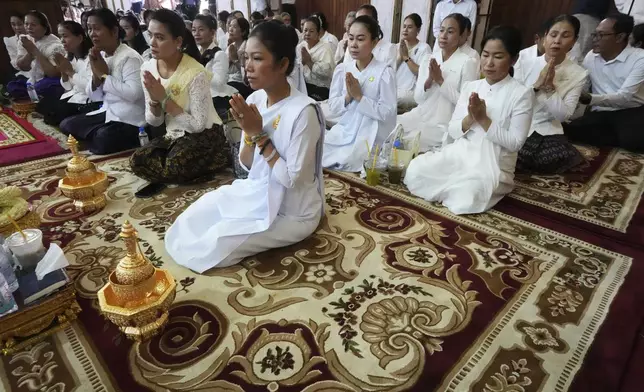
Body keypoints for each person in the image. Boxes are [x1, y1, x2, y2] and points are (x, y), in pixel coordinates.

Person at [165, 20, 325, 272]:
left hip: (292, 212)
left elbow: (294, 180)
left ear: (283, 64)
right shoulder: (255, 99)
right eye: (245, 58)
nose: (247, 67)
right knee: (196, 215)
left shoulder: (303, 112)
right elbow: (247, 164)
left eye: (257, 58)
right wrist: (250, 136)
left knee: (216, 243)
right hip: (258, 191)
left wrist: (258, 134)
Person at [404, 26, 534, 215]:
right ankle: (449, 186)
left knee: (468, 197)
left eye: (498, 57)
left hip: (493, 163)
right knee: (416, 169)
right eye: (485, 55)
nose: (489, 63)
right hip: (462, 153)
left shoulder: (522, 93)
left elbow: (515, 143)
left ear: (513, 59)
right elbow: (454, 130)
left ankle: (459, 189)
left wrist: (483, 119)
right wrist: (470, 118)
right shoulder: (471, 87)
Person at [130, 9, 228, 197]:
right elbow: (154, 122)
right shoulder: (148, 68)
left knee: (175, 163)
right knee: (137, 160)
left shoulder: (195, 72)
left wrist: (165, 100)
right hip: (174, 135)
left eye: (159, 37)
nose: (152, 42)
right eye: (150, 35)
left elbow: (198, 126)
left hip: (205, 135)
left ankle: (217, 158)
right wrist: (154, 103)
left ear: (178, 42)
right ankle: (183, 173)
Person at [60, 8, 145, 155]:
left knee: (103, 138)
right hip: (108, 112)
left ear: (114, 31)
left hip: (131, 118)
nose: (92, 34)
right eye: (89, 29)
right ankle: (97, 136)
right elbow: (95, 97)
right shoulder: (101, 55)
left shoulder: (130, 57)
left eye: (97, 28)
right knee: (67, 124)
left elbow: (134, 94)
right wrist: (96, 77)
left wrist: (103, 76)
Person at [515, 15, 589, 174]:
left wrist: (550, 90)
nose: (557, 40)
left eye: (565, 35)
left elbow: (564, 116)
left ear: (574, 41)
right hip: (516, 119)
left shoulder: (578, 73)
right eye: (553, 34)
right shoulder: (525, 60)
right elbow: (511, 99)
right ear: (544, 39)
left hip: (546, 127)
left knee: (558, 155)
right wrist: (536, 86)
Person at [323, 16, 397, 172]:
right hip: (346, 127)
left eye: (360, 39)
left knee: (349, 160)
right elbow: (334, 107)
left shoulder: (384, 72)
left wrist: (360, 97)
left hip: (371, 131)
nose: (354, 45)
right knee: (319, 148)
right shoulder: (343, 68)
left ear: (375, 42)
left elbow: (388, 113)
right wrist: (348, 97)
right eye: (351, 39)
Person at [396, 13, 479, 151]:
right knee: (392, 126)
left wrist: (441, 81)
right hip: (420, 114)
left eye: (450, 31)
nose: (444, 35)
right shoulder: (429, 58)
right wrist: (428, 82)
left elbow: (464, 103)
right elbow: (418, 98)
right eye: (441, 30)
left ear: (460, 36)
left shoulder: (467, 62)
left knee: (409, 140)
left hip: (443, 124)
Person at [563, 14, 644, 151]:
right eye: (594, 34)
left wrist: (589, 98)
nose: (594, 39)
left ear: (619, 37)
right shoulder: (591, 56)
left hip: (631, 110)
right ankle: (613, 134)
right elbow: (584, 85)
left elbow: (625, 97)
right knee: (570, 131)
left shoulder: (639, 58)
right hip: (601, 111)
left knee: (633, 143)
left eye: (600, 35)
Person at [42, 21, 97, 126]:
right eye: (60, 36)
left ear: (80, 38)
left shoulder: (91, 57)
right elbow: (67, 87)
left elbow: (90, 86)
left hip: (87, 100)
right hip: (73, 96)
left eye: (65, 36)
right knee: (43, 105)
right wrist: (63, 72)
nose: (62, 40)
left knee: (55, 115)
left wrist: (70, 72)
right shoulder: (71, 57)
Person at [7, 11, 66, 102]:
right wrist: (30, 52)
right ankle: (35, 95)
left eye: (33, 25)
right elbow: (22, 66)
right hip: (34, 78)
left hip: (52, 79)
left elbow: (54, 74)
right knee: (12, 86)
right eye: (26, 24)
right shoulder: (25, 39)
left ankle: (35, 96)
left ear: (44, 28)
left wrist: (35, 50)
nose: (29, 27)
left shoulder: (54, 44)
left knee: (44, 87)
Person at [192, 14, 236, 117]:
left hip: (216, 100)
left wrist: (198, 70)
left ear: (212, 32)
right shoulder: (195, 53)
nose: (196, 34)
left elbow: (219, 83)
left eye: (201, 30)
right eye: (194, 30)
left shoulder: (219, 54)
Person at [396, 13, 430, 109]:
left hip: (411, 92)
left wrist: (406, 57)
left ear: (418, 30)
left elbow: (422, 73)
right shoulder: (397, 46)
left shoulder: (424, 48)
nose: (405, 30)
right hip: (395, 88)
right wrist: (399, 57)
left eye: (410, 27)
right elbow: (389, 71)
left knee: (392, 98)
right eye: (404, 26)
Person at [298, 16, 334, 101]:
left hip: (320, 89)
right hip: (303, 85)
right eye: (305, 30)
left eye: (311, 31)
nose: (307, 33)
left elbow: (327, 73)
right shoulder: (300, 46)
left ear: (318, 33)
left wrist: (309, 62)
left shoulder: (325, 48)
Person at [227, 16, 253, 97]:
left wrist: (235, 60)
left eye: (234, 27)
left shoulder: (248, 47)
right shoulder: (231, 47)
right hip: (229, 81)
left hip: (242, 84)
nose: (230, 29)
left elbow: (247, 75)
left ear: (243, 32)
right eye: (230, 26)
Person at [4, 12, 29, 80]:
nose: (17, 27)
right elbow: (15, 64)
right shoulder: (10, 41)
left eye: (20, 24)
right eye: (13, 24)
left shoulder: (35, 37)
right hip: (23, 73)